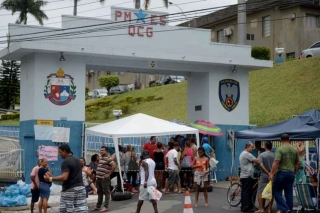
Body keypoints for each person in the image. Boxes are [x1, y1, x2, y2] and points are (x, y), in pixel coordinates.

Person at [44, 144, 88, 213]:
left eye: (60, 152)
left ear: (65, 151)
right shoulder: (78, 160)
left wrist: (50, 179)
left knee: (65, 210)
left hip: (69, 189)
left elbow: (64, 177)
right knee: (81, 209)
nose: (59, 154)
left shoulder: (66, 162)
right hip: (81, 188)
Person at [269, 134, 299, 213]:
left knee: (275, 191)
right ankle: (289, 209)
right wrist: (294, 173)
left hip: (282, 173)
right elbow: (297, 164)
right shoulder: (294, 149)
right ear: (289, 139)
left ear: (281, 140)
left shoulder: (280, 149)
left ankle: (285, 209)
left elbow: (276, 162)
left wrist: (271, 173)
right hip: (291, 173)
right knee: (289, 193)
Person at [94, 146, 116, 212]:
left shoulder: (108, 158)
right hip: (99, 178)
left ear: (106, 151)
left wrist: (108, 174)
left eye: (102, 150)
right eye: (100, 150)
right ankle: (98, 206)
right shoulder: (101, 158)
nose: (101, 152)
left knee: (106, 192)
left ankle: (106, 206)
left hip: (104, 179)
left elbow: (114, 166)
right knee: (99, 192)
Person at [239, 142, 259, 212]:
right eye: (251, 147)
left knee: (245, 192)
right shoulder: (247, 154)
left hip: (244, 175)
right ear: (247, 147)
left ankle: (244, 206)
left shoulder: (243, 153)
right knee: (247, 192)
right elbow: (257, 160)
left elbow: (251, 163)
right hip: (247, 175)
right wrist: (261, 154)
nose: (252, 149)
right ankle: (246, 208)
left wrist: (254, 164)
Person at [255, 141, 274, 213]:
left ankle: (261, 209)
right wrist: (271, 173)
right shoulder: (274, 155)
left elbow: (261, 165)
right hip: (272, 176)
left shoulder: (262, 155)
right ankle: (269, 209)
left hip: (264, 176)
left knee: (259, 192)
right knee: (270, 193)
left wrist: (267, 173)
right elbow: (276, 165)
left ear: (265, 147)